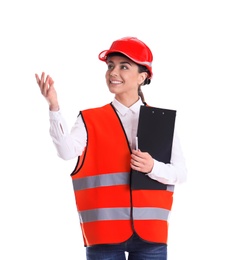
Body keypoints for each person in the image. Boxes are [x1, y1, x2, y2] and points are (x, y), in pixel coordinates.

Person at [35, 36, 187, 260]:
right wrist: (54, 108)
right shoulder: (90, 119)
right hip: (103, 233)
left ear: (142, 77)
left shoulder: (161, 121)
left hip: (151, 234)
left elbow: (180, 173)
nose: (113, 72)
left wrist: (152, 166)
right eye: (110, 66)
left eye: (124, 66)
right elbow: (66, 152)